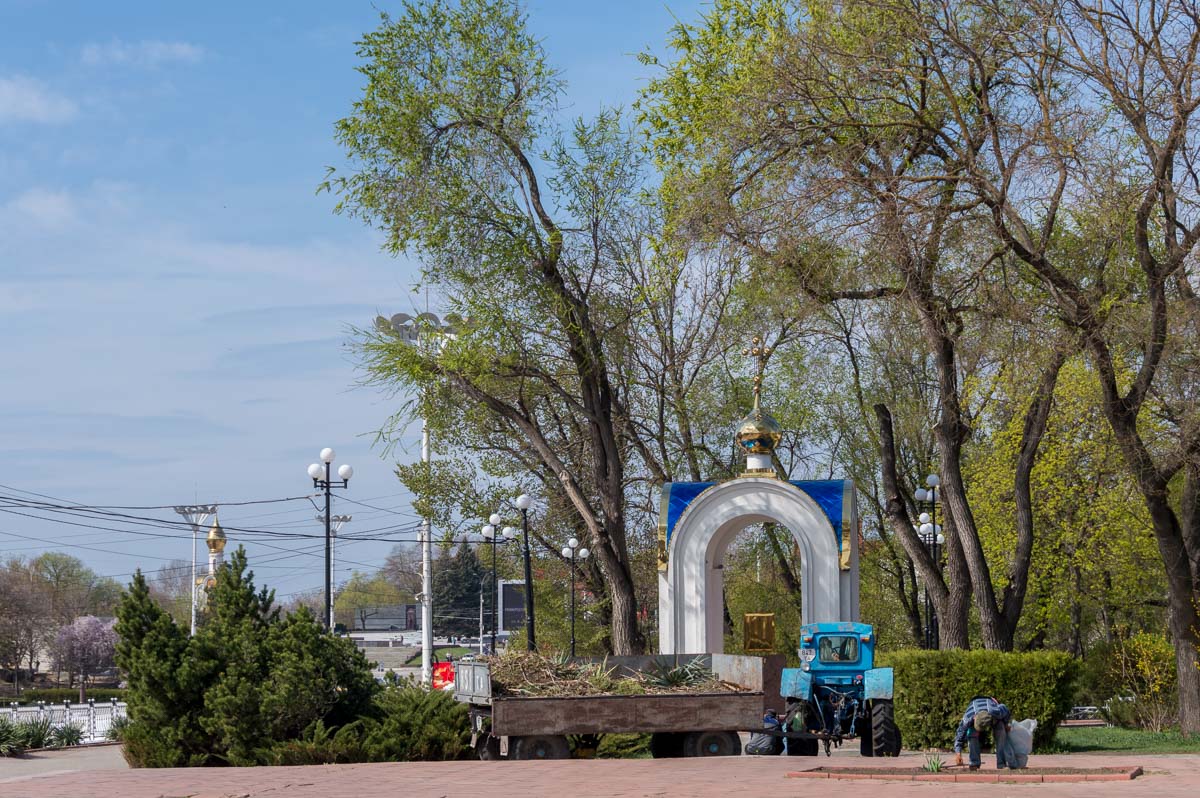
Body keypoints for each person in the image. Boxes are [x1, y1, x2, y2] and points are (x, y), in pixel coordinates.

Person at [953, 696, 1012, 770]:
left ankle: (1001, 764)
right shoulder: (968, 717)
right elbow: (959, 735)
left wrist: (1006, 724)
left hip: (991, 706)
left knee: (1001, 729)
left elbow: (1005, 708)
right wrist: (958, 754)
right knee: (971, 733)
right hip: (976, 705)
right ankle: (974, 763)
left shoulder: (996, 711)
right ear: (974, 718)